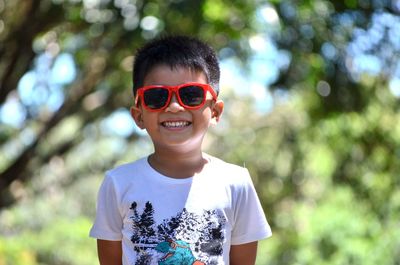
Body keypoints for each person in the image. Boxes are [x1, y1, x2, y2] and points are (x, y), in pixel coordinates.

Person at [90, 35, 272, 265]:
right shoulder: (117, 184)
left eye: (191, 95)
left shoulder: (236, 183)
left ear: (215, 111)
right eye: (157, 97)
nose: (175, 106)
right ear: (138, 116)